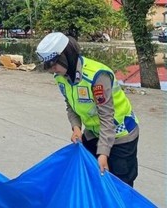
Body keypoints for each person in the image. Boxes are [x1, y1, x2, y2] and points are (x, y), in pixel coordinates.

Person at [36, 32, 139, 187]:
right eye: (48, 66)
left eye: (54, 64)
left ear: (67, 56)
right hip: (94, 133)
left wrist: (103, 153)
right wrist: (76, 127)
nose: (52, 69)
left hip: (120, 133)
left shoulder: (97, 77)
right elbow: (70, 105)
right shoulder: (61, 77)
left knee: (119, 183)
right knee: (90, 175)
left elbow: (107, 117)